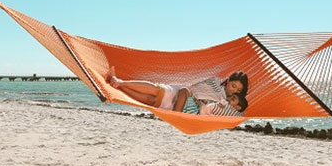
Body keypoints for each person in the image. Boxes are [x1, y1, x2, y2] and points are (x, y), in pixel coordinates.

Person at [105, 68, 249, 115]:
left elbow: (237, 113)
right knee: (157, 90)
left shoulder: (230, 103)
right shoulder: (215, 82)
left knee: (152, 101)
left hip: (188, 105)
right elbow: (198, 89)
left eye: (238, 90)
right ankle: (120, 82)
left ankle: (120, 87)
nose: (234, 90)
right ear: (228, 81)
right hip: (182, 94)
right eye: (233, 86)